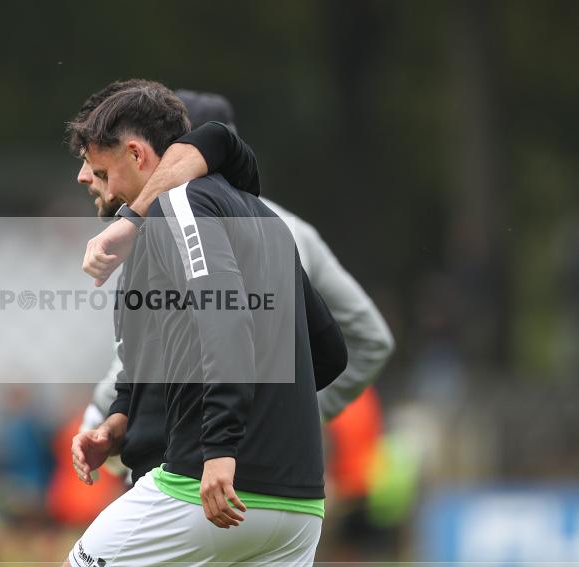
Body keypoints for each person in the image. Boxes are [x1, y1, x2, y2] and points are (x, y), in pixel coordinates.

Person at [54, 81, 346, 567]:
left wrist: (221, 447)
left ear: (137, 154)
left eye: (97, 168)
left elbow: (225, 319)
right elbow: (327, 354)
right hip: (296, 505)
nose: (84, 178)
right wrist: (125, 417)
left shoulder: (178, 206)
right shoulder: (265, 218)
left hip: (209, 485)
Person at [78, 88, 395, 485]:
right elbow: (358, 343)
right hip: (281, 471)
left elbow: (155, 352)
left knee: (90, 551)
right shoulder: (282, 223)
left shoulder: (170, 216)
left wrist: (99, 421)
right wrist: (287, 421)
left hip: (189, 469)